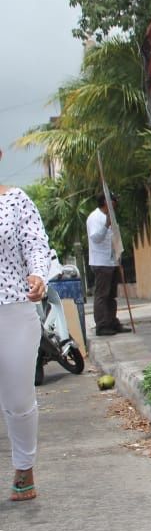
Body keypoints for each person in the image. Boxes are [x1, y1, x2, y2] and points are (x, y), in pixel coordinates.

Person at [0, 150, 52, 501]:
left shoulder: (16, 201)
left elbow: (36, 245)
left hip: (13, 308)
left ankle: (24, 467)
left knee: (18, 399)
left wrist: (38, 275)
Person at [86, 193, 130, 336]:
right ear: (106, 201)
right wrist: (106, 225)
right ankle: (102, 325)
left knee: (111, 295)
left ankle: (112, 322)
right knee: (102, 295)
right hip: (101, 262)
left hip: (112, 261)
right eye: (113, 199)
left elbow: (114, 237)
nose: (116, 202)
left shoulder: (110, 216)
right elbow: (95, 238)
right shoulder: (95, 217)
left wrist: (119, 255)